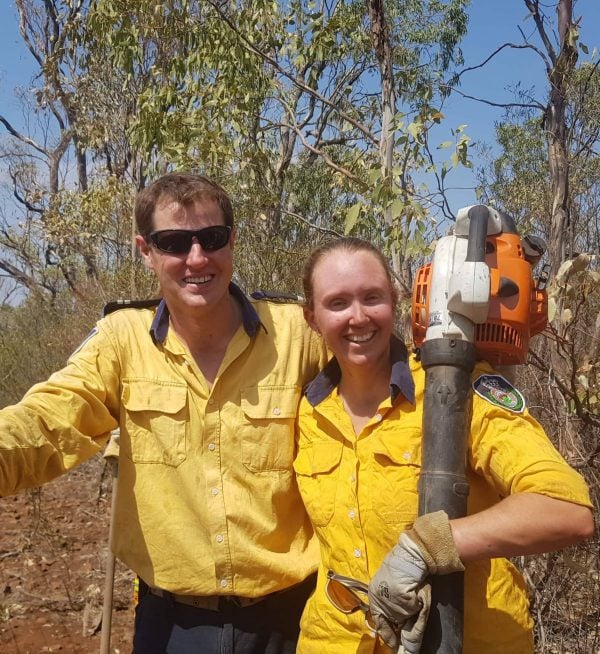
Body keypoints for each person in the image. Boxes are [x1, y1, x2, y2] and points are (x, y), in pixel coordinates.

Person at [0, 172, 327, 653]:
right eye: (173, 242)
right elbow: (48, 422)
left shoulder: (300, 333)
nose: (197, 258)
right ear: (145, 250)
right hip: (173, 626)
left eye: (211, 238)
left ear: (232, 241)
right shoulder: (120, 340)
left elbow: (386, 390)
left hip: (294, 618)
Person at [293, 237, 594, 654]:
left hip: (466, 641)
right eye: (337, 303)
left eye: (372, 298)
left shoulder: (455, 391)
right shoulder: (309, 411)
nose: (358, 317)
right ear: (312, 318)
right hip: (335, 641)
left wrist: (426, 546)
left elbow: (565, 509)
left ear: (397, 301)